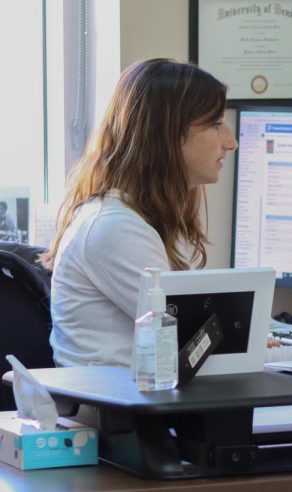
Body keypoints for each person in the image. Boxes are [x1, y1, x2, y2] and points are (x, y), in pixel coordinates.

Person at [40, 58, 238, 367]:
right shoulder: (114, 228)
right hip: (121, 411)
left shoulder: (138, 217)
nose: (231, 142)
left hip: (145, 403)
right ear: (168, 134)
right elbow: (192, 344)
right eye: (215, 125)